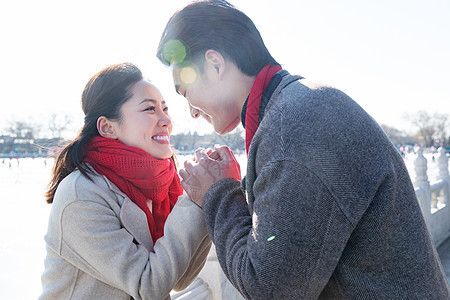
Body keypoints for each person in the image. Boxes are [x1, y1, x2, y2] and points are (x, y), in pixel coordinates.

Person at [156, 1, 450, 299]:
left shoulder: (294, 128)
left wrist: (217, 193)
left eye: (185, 91)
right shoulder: (298, 106)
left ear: (215, 65)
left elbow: (269, 288)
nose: (191, 111)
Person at [40, 63, 211, 300]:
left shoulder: (162, 185)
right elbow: (148, 285)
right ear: (108, 127)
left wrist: (208, 196)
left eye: (165, 108)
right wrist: (195, 200)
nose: (166, 121)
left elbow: (179, 279)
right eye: (150, 109)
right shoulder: (81, 194)